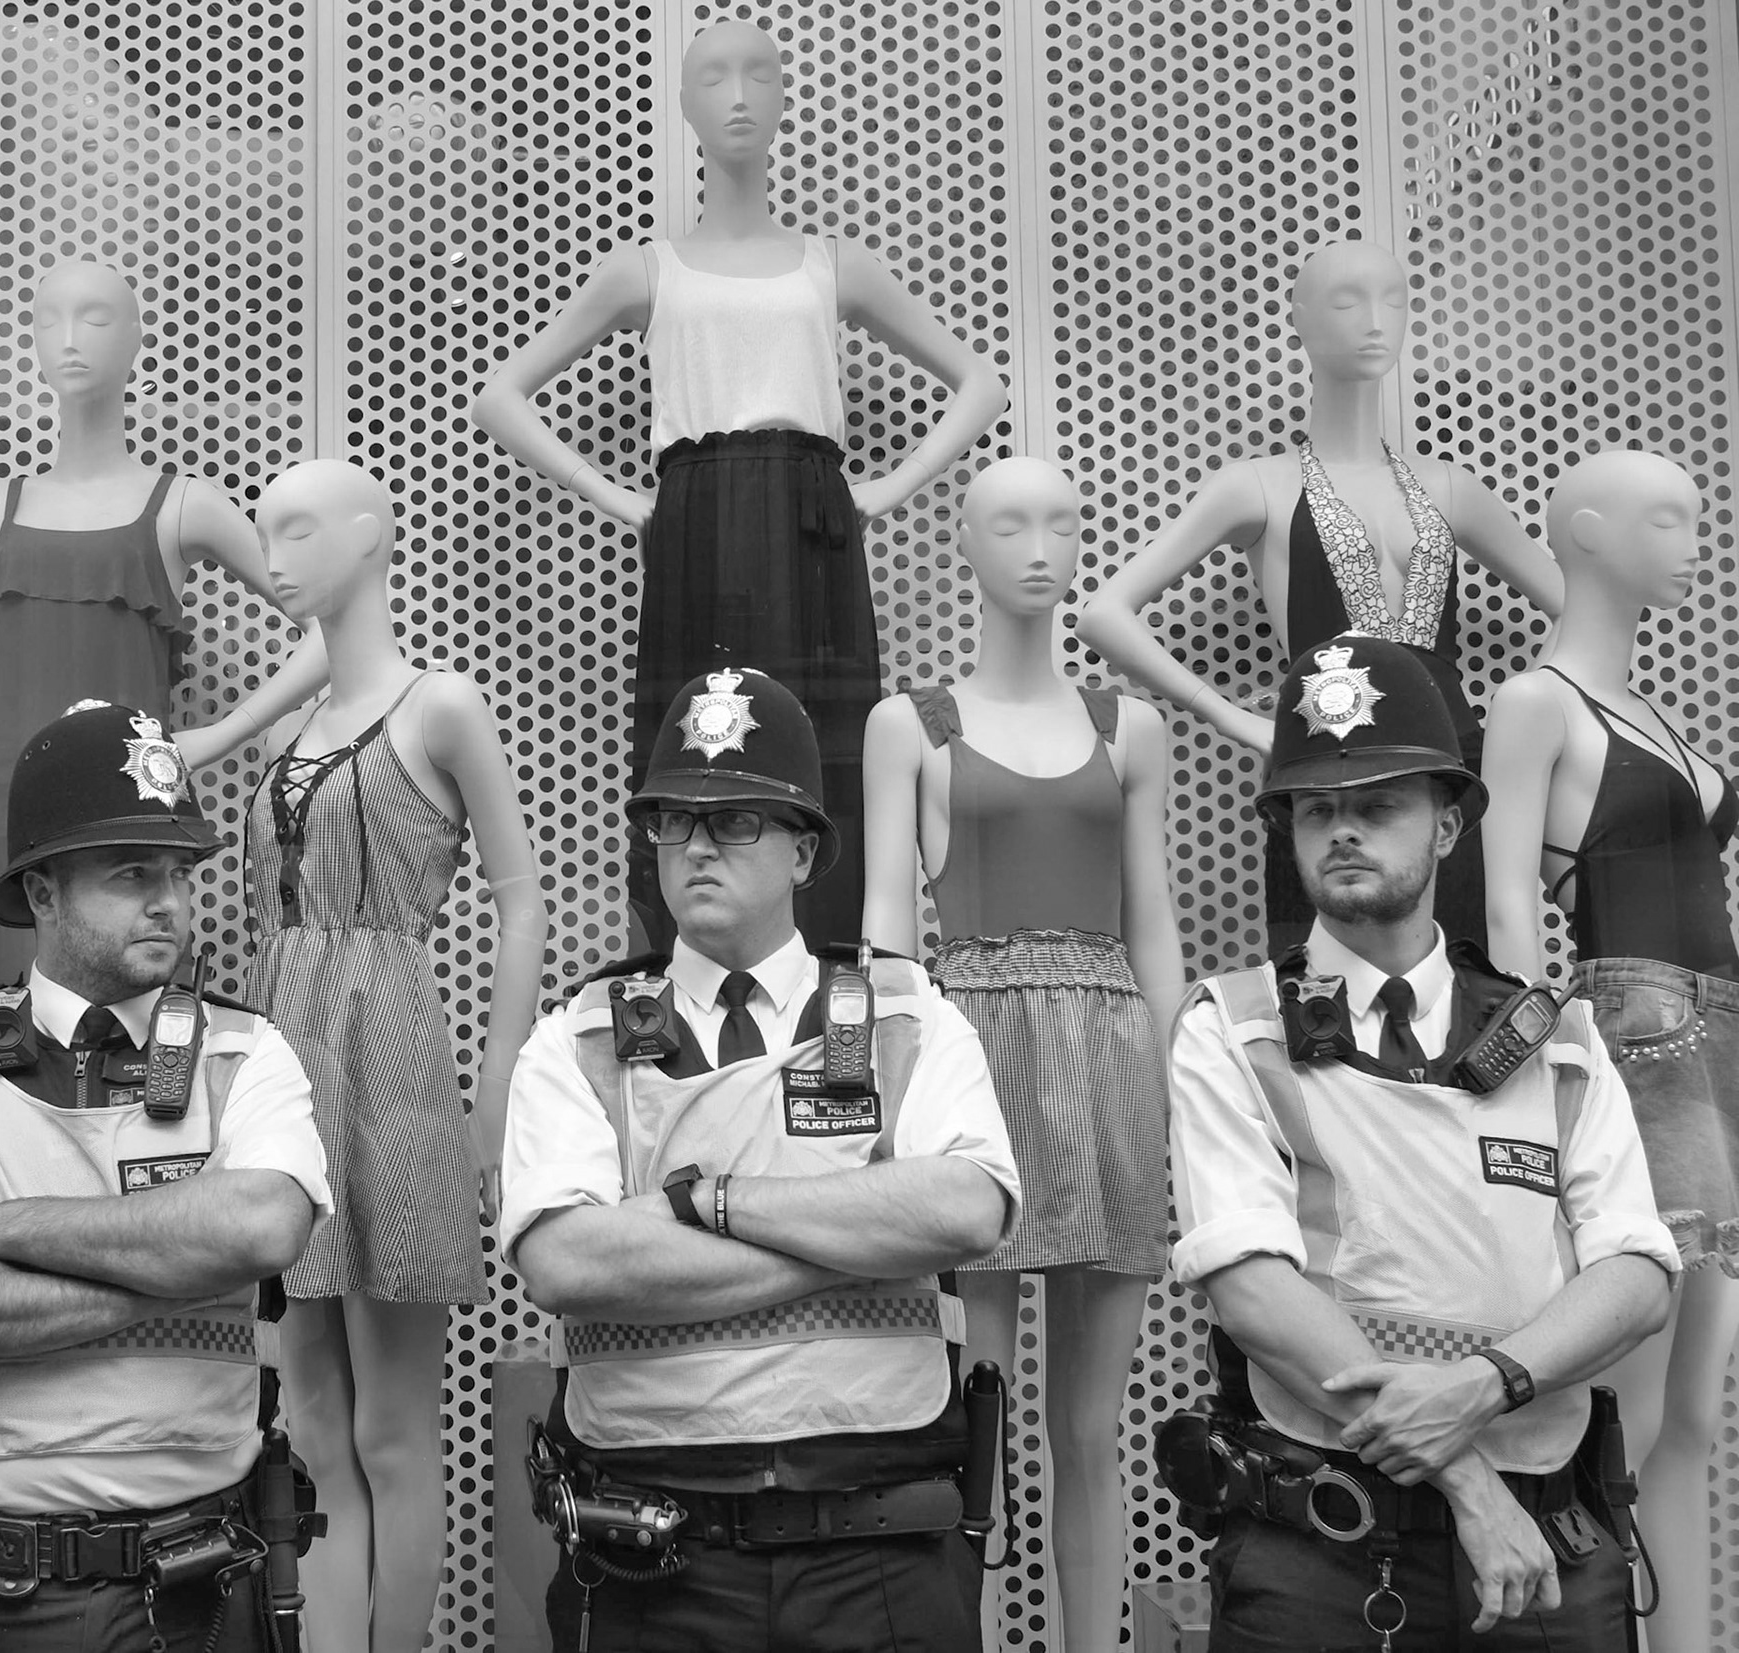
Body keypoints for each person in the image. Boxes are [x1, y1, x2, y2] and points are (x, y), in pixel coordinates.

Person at [1165, 633, 1678, 1649]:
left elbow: (1638, 1272)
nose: (1342, 831)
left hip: (1553, 1550)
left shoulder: (1555, 1036)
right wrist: (1469, 1485)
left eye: (1378, 805)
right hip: (1325, 1551)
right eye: (1317, 810)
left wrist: (1486, 1386)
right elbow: (1252, 1287)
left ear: (1448, 825)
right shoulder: (1233, 1026)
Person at [500, 667, 1022, 1653]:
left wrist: (705, 1201)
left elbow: (968, 1209)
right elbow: (566, 1263)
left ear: (804, 851)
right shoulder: (581, 1036)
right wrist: (861, 1230)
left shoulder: (904, 1013)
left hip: (881, 1556)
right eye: (673, 821)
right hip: (657, 1563)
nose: (696, 844)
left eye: (737, 820)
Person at [469, 19, 1007, 948]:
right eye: (714, 77)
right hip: (699, 518)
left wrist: (885, 490)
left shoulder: (833, 264)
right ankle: (679, 968)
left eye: (760, 72)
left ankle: (837, 965)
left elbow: (981, 383)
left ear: (786, 93)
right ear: (682, 106)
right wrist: (622, 499)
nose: (740, 94)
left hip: (811, 521)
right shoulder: (647, 269)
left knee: (819, 746)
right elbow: (502, 396)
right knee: (698, 740)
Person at [0, 699, 334, 1651]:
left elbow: (260, 1230)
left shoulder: (248, 1050)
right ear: (44, 891)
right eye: (133, 871)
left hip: (201, 1588)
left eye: (180, 872)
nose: (171, 900)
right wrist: (178, 1265)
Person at [862, 456, 1184, 1651]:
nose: (1040, 545)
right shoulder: (912, 724)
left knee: (1091, 1426)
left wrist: (1177, 1090)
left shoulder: (1127, 725)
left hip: (1109, 1055)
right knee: (976, 1406)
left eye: (1061, 522)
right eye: (1009, 522)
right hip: (973, 1051)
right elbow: (889, 934)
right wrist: (884, 1099)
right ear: (964, 541)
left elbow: (1155, 922)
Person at [0, 258, 327, 991]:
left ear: (134, 342)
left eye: (94, 319)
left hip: (127, 800)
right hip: (7, 798)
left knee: (129, 999)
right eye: (47, 320)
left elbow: (326, 630)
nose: (68, 339)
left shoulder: (185, 505)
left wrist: (216, 738)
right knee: (1, 1017)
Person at [245, 459, 548, 1653]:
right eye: (264, 530)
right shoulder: (297, 719)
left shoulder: (442, 706)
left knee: (392, 1430)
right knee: (310, 1418)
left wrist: (499, 1081)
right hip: (284, 1043)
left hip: (393, 1045)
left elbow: (521, 899)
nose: (273, 554)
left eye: (298, 528)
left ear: (372, 537)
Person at [1075, 239, 1562, 953]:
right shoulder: (1260, 487)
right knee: (1321, 992)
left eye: (1393, 301)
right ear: (1298, 319)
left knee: (1463, 983)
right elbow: (1103, 614)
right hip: (1323, 759)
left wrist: (1521, 730)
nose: (1375, 320)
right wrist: (1237, 719)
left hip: (1451, 770)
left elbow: (1574, 605)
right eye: (1346, 300)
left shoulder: (1451, 487)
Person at [1483, 450, 1736, 1653]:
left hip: (1723, 1034)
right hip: (1635, 1029)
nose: (1697, 538)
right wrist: (1543, 1065)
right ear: (1584, 533)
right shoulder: (1537, 705)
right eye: (1670, 519)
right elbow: (1502, 913)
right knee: (1636, 1403)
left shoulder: (1659, 714)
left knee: (1695, 1411)